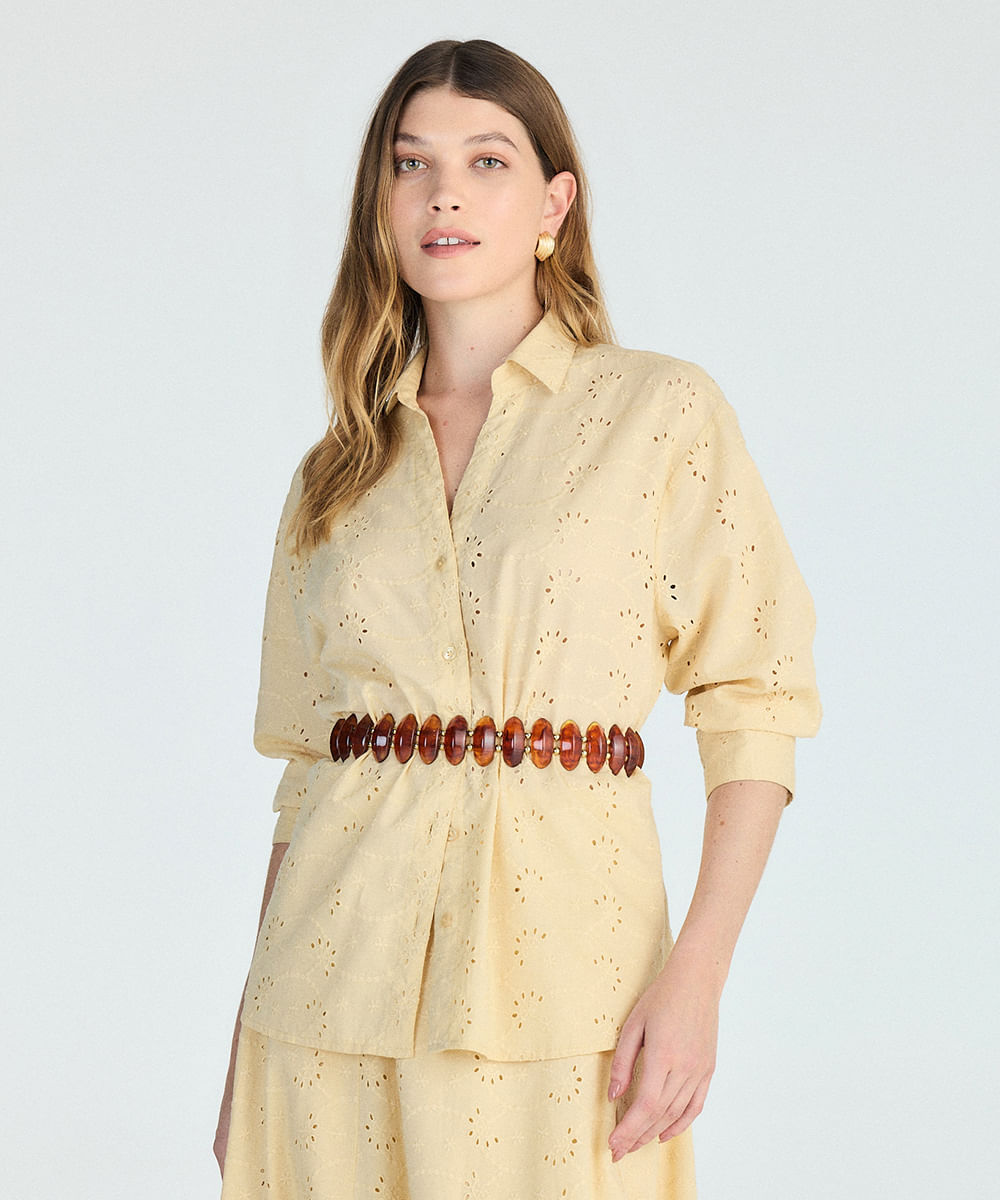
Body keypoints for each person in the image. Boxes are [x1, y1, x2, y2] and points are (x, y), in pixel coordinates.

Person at [214, 38, 820, 1200]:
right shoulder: (336, 470)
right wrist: (244, 1043)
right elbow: (303, 768)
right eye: (411, 163)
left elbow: (755, 700)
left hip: (572, 988)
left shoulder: (658, 413)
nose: (443, 194)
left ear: (553, 203)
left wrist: (696, 982)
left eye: (486, 161)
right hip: (320, 1005)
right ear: (381, 204)